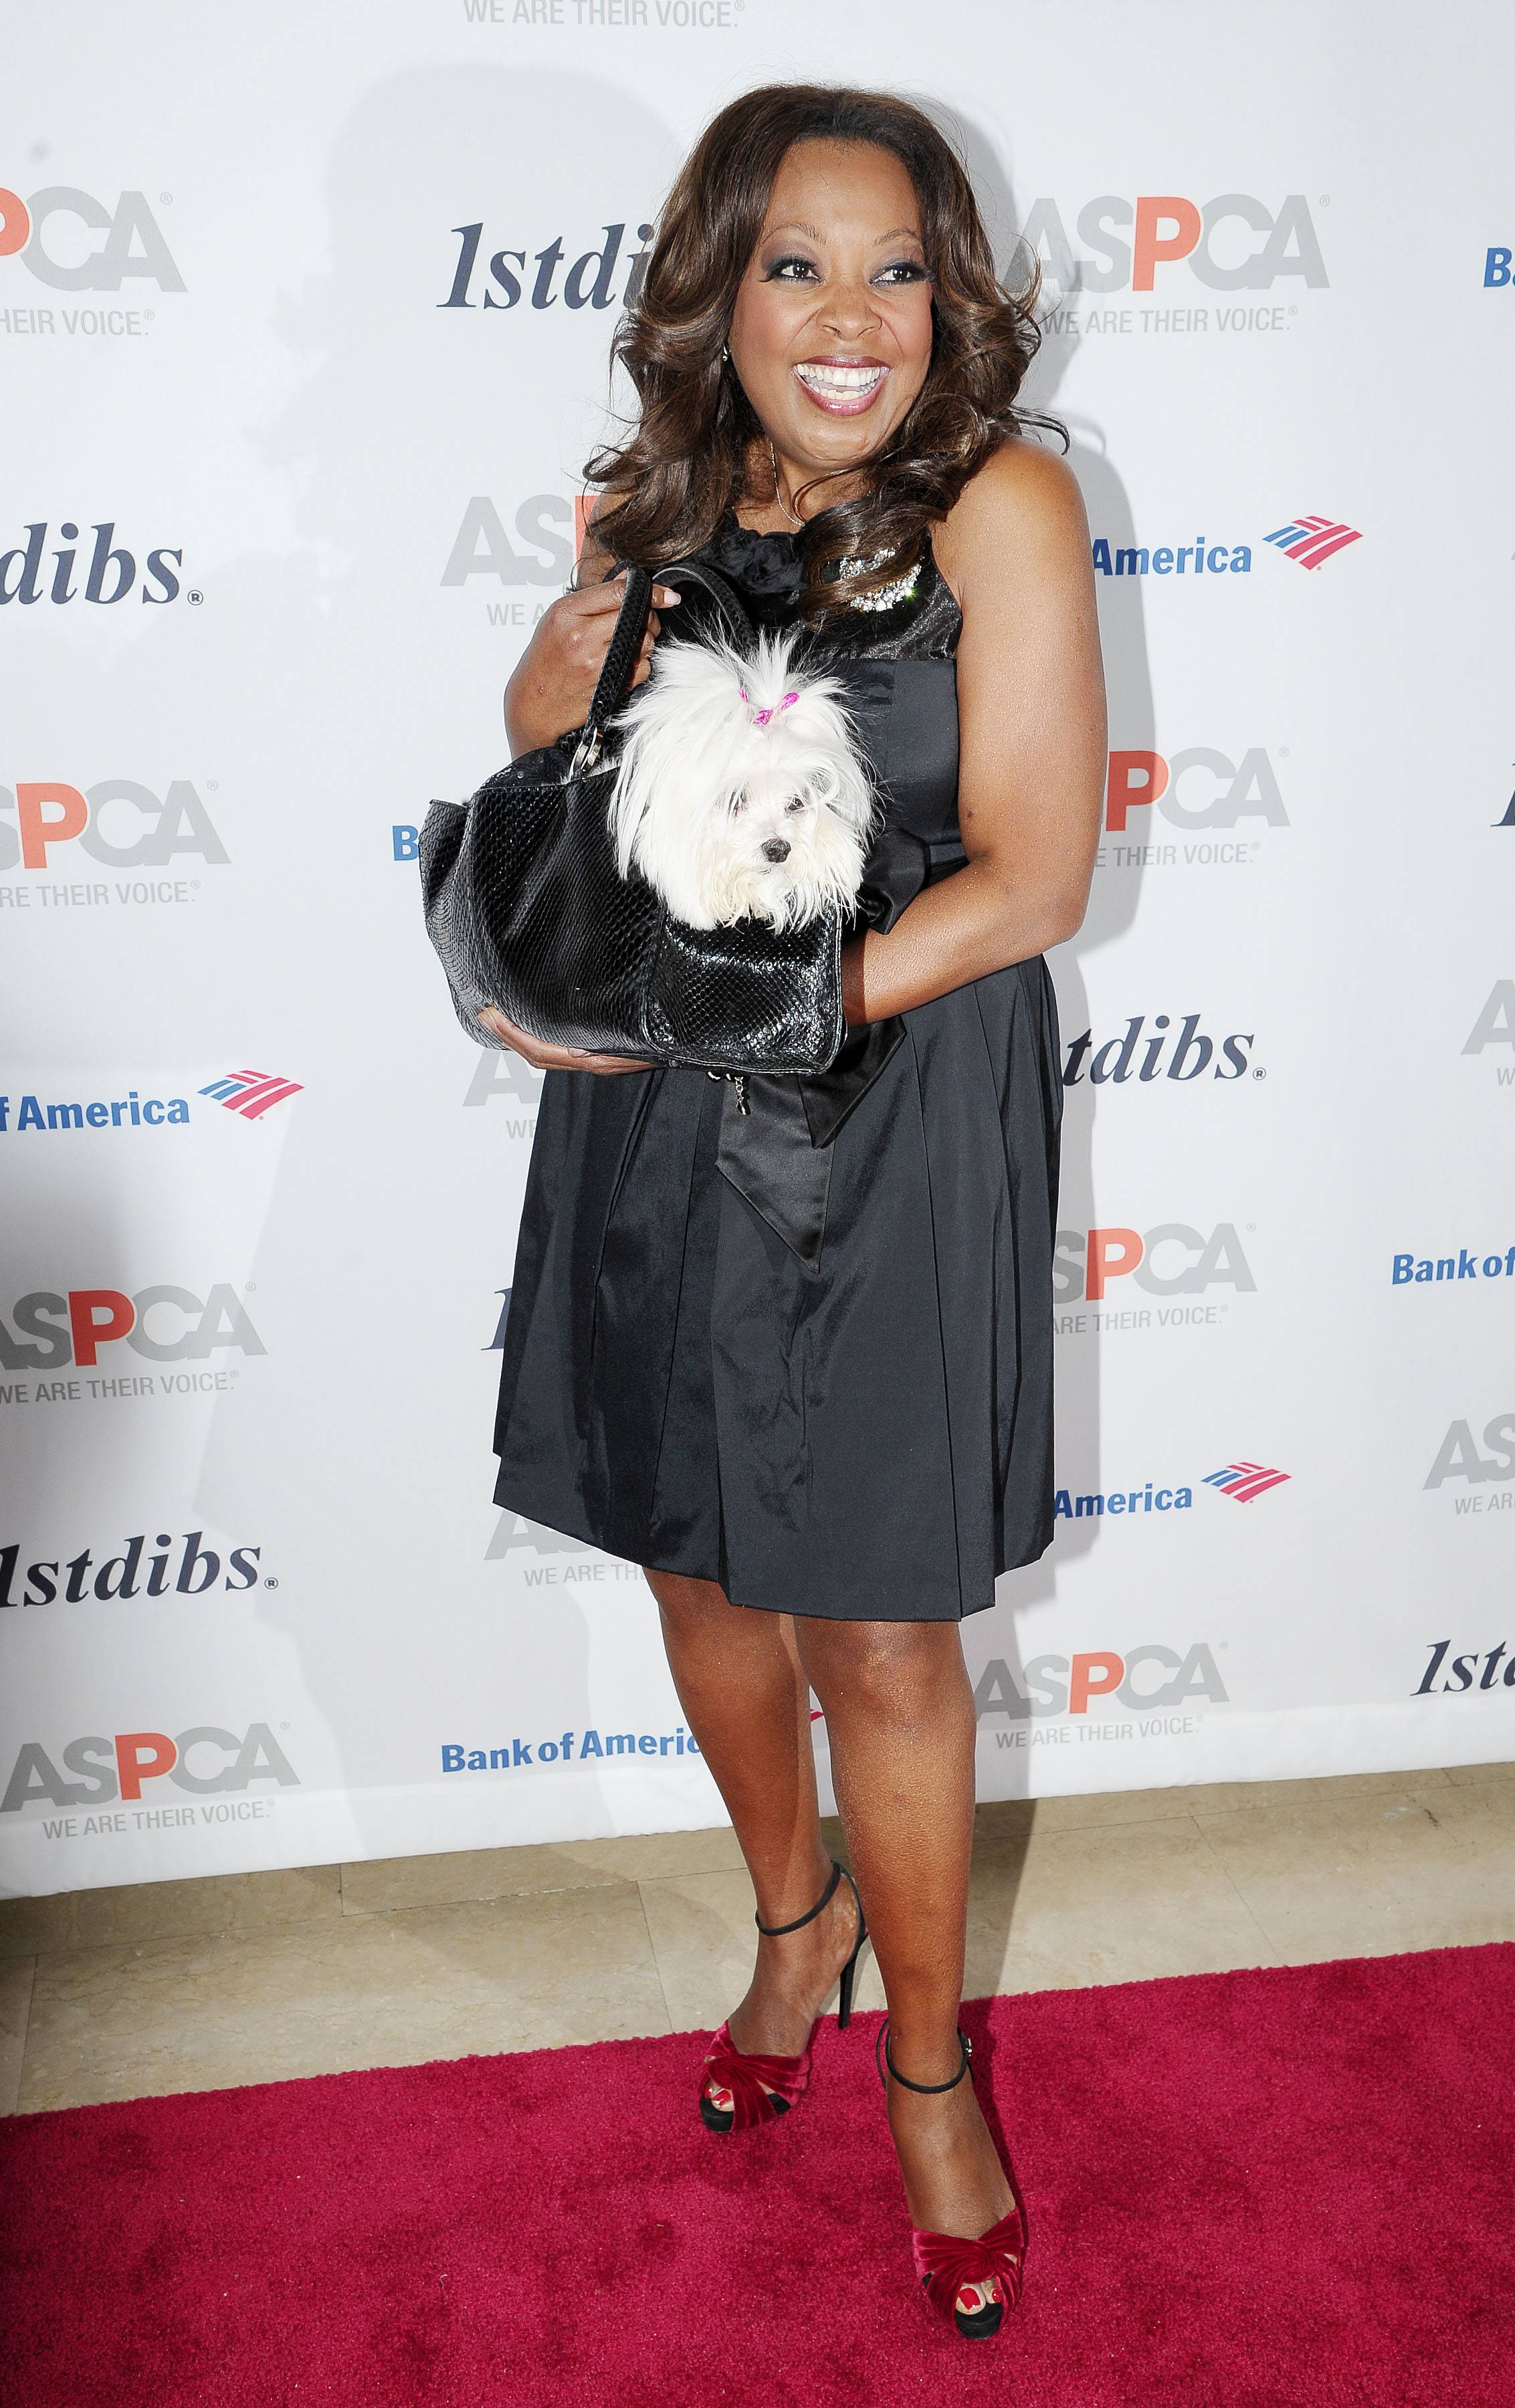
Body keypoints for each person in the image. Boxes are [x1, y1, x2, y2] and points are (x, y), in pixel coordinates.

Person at [484, 82, 1104, 2338]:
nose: (853, 317)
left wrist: (777, 1005)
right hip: (660, 1122)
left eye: (898, 268)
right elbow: (550, 788)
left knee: (884, 1632)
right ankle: (791, 1924)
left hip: (898, 1103)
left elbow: (1034, 877)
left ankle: (930, 2078)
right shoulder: (647, 506)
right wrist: (550, 962)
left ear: (953, 297)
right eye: (799, 265)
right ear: (719, 290)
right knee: (696, 1566)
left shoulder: (1003, 504)